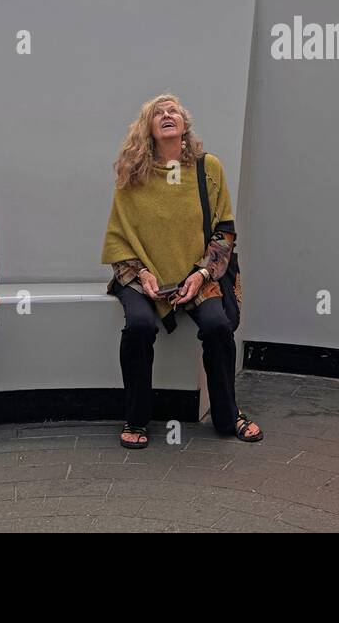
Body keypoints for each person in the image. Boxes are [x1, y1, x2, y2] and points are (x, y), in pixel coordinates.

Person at [102, 93, 262, 448]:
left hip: (198, 274)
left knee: (218, 327)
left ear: (184, 124)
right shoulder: (133, 176)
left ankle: (227, 414)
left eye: (172, 109)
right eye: (157, 113)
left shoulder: (208, 169)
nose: (166, 114)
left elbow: (224, 233)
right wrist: (143, 275)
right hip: (142, 274)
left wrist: (202, 274)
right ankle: (137, 417)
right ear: (148, 129)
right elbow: (119, 238)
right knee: (140, 326)